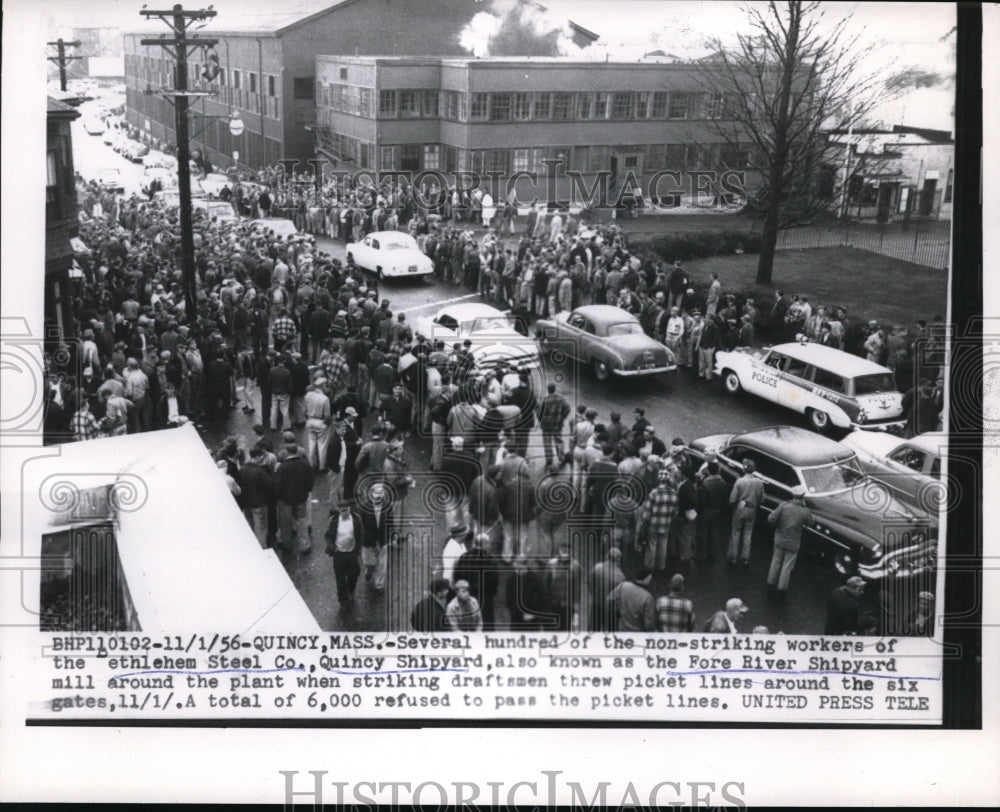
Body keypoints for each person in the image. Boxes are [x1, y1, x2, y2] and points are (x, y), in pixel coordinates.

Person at [766, 486, 813, 598]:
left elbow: (770, 519)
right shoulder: (805, 511)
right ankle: (781, 589)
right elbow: (811, 523)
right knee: (787, 566)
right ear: (802, 496)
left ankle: (770, 584)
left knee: (776, 561)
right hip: (794, 541)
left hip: (780, 537)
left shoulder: (783, 506)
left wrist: (779, 526)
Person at [274, 443, 315, 556]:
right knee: (301, 520)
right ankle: (305, 545)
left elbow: (278, 485)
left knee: (285, 523)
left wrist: (278, 496)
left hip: (286, 500)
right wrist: (307, 490)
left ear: (287, 452)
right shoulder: (305, 464)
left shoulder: (282, 468)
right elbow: (311, 480)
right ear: (297, 451)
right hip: (301, 497)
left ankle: (287, 544)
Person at [324, 499, 363, 611]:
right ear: (339, 510)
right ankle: (343, 601)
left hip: (352, 553)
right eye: (342, 511)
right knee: (340, 579)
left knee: (354, 574)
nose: (344, 513)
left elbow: (360, 534)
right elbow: (327, 535)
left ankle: (351, 589)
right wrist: (332, 547)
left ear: (349, 509)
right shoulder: (334, 520)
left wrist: (357, 550)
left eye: (346, 510)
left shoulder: (356, 519)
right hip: (339, 554)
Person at [728, 458, 764, 567]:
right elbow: (762, 499)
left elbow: (732, 499)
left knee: (736, 532)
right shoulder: (759, 482)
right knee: (748, 534)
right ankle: (745, 558)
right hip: (752, 509)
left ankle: (733, 556)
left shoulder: (739, 481)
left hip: (740, 508)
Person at [359, 481, 393, 593]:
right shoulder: (364, 507)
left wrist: (392, 537)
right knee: (369, 563)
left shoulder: (387, 506)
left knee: (382, 564)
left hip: (382, 540)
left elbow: (390, 522)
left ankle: (379, 585)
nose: (378, 497)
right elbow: (360, 526)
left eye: (381, 493)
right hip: (369, 541)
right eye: (376, 493)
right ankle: (369, 570)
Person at [543, 541, 581, 632]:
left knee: (564, 631)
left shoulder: (575, 566)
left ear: (571, 552)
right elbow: (545, 585)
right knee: (550, 630)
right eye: (563, 550)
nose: (565, 552)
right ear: (559, 551)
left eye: (567, 550)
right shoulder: (551, 564)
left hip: (567, 605)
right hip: (552, 604)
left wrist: (576, 611)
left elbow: (577, 588)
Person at [609, 566, 657, 632]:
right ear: (647, 579)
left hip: (621, 629)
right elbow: (649, 624)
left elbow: (609, 599)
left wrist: (617, 610)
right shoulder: (647, 597)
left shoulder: (623, 586)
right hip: (637, 634)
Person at [588, 547, 625, 632]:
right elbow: (619, 595)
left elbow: (590, 584)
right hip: (610, 609)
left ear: (607, 556)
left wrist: (594, 595)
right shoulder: (620, 576)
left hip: (596, 604)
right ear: (618, 560)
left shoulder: (597, 567)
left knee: (593, 630)